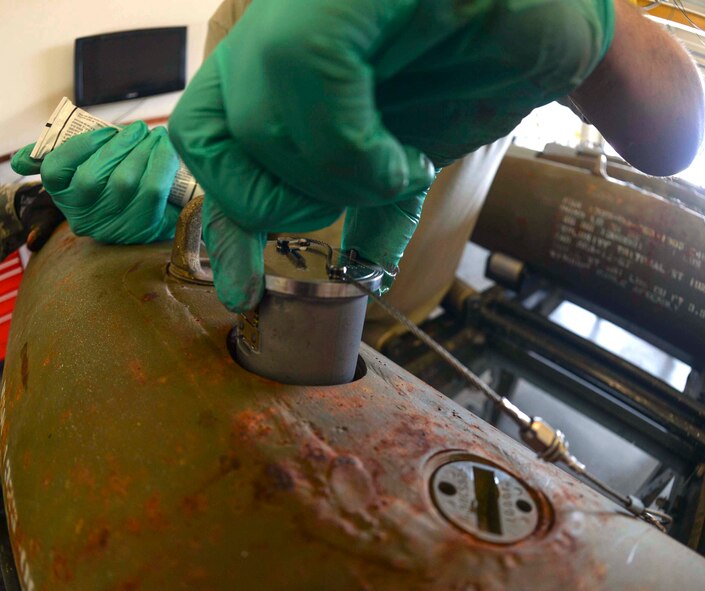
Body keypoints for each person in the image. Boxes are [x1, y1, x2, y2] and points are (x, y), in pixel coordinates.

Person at [10, 0, 704, 335]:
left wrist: (593, 24)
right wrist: (178, 186)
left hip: (404, 326)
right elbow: (243, 144)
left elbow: (672, 136)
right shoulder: (247, 12)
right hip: (251, 310)